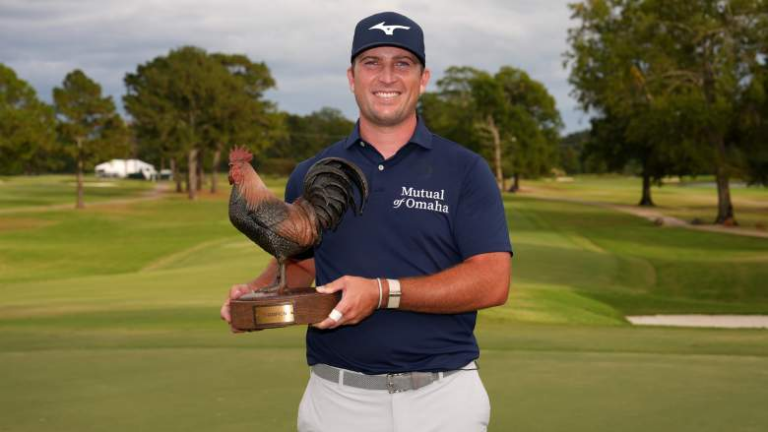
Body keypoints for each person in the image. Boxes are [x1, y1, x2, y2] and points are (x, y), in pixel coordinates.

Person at [221, 11, 512, 432]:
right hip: (336, 400)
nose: (386, 76)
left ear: (423, 78)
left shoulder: (465, 170)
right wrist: (255, 294)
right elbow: (303, 262)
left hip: (442, 400)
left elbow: (493, 281)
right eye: (372, 62)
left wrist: (382, 292)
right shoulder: (310, 173)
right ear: (351, 77)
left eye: (402, 63)